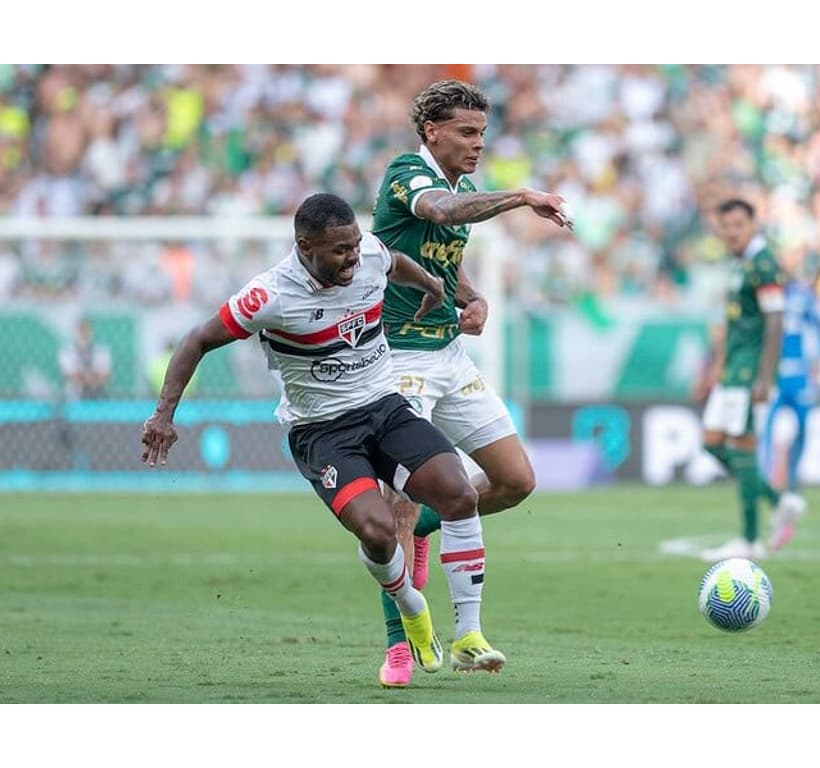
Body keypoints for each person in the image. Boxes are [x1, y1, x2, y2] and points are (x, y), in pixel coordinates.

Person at [141, 192, 504, 678]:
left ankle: (469, 636)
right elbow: (198, 339)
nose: (353, 257)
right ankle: (412, 606)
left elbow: (393, 261)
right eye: (339, 251)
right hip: (324, 432)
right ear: (304, 247)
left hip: (385, 408)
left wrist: (433, 287)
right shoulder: (270, 295)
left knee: (459, 492)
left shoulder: (367, 254)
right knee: (377, 532)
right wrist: (164, 415)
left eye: (354, 245)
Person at [370, 79, 572, 687]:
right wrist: (521, 198)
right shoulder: (408, 174)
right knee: (396, 508)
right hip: (395, 361)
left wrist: (476, 298)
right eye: (466, 132)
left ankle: (435, 523)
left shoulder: (460, 188)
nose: (477, 143)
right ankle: (400, 647)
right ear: (432, 131)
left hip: (449, 357)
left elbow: (440, 263)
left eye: (482, 132)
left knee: (516, 481)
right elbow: (437, 213)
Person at [698, 198, 806, 563]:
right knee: (713, 443)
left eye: (738, 225)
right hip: (732, 372)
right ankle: (779, 501)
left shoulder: (762, 264)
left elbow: (775, 321)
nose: (731, 232)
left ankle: (748, 540)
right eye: (725, 225)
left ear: (752, 225)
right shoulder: (740, 264)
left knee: (742, 448)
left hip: (750, 373)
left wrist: (764, 378)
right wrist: (718, 366)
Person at [759, 269, 820, 544]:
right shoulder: (764, 295)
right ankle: (770, 488)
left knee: (802, 429)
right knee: (765, 430)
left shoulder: (802, 296)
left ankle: (793, 482)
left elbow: (818, 328)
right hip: (773, 375)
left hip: (799, 374)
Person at [59, 318, 112, 400]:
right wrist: (90, 378)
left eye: (87, 329)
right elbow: (69, 376)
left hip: (98, 392)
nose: (84, 333)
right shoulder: (67, 351)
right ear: (75, 332)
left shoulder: (101, 350)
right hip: (74, 394)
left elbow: (105, 375)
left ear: (92, 331)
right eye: (81, 329)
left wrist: (88, 380)